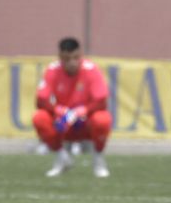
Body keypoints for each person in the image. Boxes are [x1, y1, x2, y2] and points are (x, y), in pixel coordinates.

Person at [32, 37, 113, 178]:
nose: (72, 63)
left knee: (102, 119)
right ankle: (62, 158)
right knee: (40, 118)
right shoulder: (52, 70)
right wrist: (59, 110)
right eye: (67, 59)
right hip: (63, 123)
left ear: (80, 55)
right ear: (60, 57)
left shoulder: (91, 69)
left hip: (84, 122)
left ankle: (98, 160)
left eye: (75, 58)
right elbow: (41, 100)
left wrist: (83, 110)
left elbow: (101, 101)